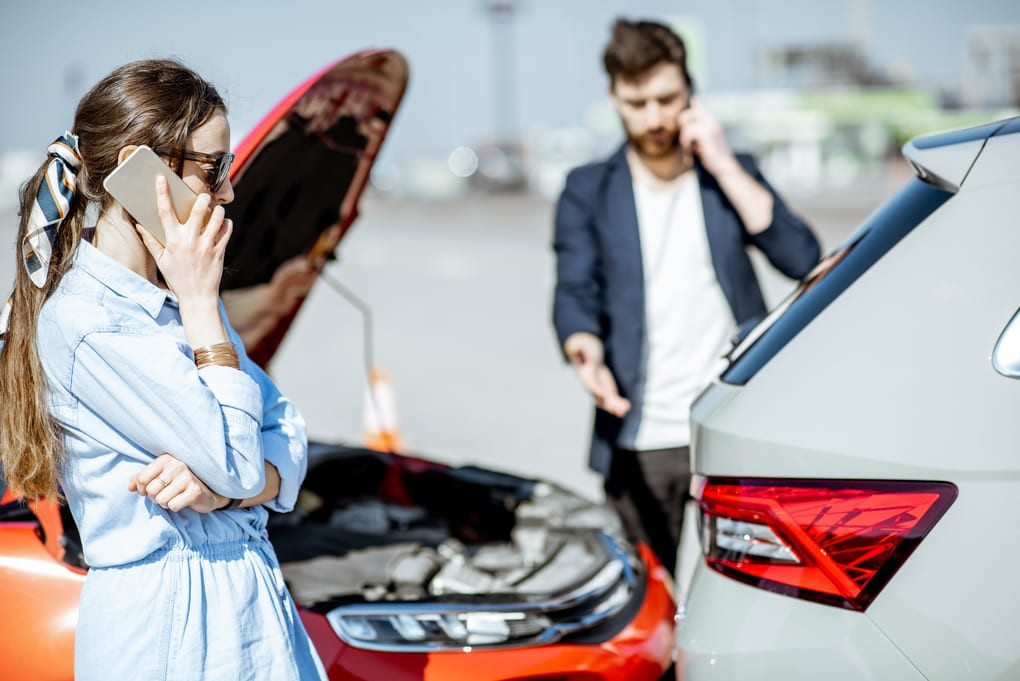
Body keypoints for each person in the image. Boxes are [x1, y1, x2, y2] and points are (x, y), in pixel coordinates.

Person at [0, 59, 327, 680]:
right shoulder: (90, 324)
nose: (228, 192)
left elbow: (289, 431)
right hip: (174, 629)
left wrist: (226, 491)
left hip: (244, 606)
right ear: (139, 170)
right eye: (213, 168)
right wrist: (205, 305)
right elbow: (240, 454)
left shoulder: (176, 299)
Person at [552, 19, 821, 577]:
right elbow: (574, 287)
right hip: (639, 438)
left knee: (748, 600)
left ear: (691, 93)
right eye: (637, 102)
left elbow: (802, 258)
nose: (653, 118)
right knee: (650, 613)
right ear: (613, 97)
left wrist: (722, 162)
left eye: (667, 99)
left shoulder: (728, 174)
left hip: (731, 429)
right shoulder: (588, 190)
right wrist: (585, 351)